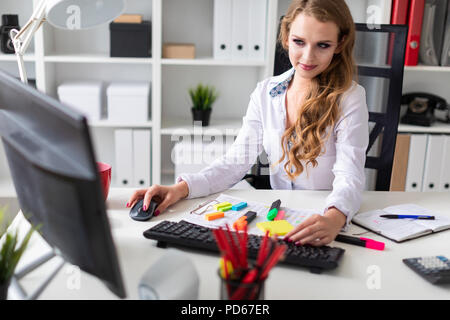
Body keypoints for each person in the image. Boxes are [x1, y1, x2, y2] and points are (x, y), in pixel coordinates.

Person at [127, 0, 369, 246]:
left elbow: (350, 175)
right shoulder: (266, 92)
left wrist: (335, 218)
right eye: (299, 42)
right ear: (286, 37)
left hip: (324, 221)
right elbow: (235, 162)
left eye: (323, 45)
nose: (308, 56)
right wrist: (179, 189)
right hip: (281, 220)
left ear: (339, 44)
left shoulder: (350, 98)